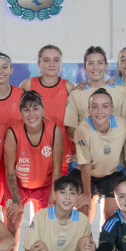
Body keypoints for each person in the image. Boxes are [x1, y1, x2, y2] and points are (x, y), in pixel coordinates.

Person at [3, 90, 64, 237]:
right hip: (18, 184)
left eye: (35, 109)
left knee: (46, 226)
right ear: (20, 113)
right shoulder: (13, 132)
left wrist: (52, 198)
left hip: (46, 184)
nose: (31, 114)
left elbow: (57, 169)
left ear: (42, 110)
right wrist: (16, 201)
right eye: (26, 110)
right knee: (12, 223)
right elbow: (10, 171)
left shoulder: (54, 130)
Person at [70, 89, 126, 224]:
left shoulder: (123, 125)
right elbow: (85, 164)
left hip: (111, 173)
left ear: (112, 109)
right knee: (83, 211)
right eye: (95, 107)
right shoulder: (82, 130)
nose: (99, 111)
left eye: (105, 106)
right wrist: (86, 194)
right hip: (84, 173)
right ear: (89, 110)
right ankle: (85, 243)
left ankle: (107, 244)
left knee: (112, 214)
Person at [20, 44, 75, 174]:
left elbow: (78, 123)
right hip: (34, 150)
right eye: (46, 60)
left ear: (61, 63)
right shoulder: (28, 84)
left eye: (56, 60)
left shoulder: (68, 87)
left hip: (64, 151)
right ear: (39, 64)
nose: (51, 64)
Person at [64, 46, 126, 136]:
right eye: (90, 63)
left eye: (100, 63)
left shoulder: (120, 92)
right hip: (87, 149)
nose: (96, 67)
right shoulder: (75, 94)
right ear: (85, 67)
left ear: (106, 65)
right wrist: (93, 142)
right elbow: (71, 129)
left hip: (117, 148)